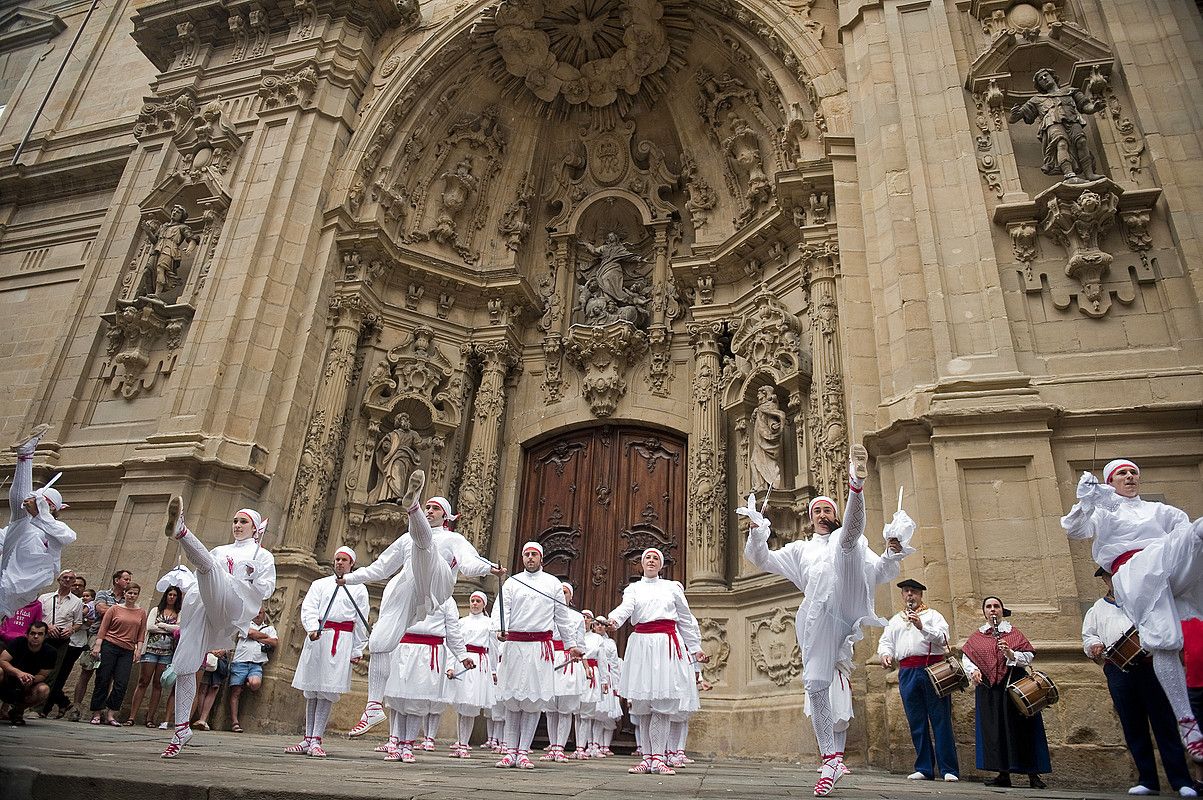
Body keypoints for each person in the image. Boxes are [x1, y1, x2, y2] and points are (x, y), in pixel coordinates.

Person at [739, 443, 911, 796]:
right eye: (816, 510)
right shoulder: (799, 549)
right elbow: (763, 560)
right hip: (817, 615)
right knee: (815, 683)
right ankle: (831, 759)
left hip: (847, 598)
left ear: (832, 515)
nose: (820, 513)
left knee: (849, 543)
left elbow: (880, 571)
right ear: (809, 517)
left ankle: (855, 485)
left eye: (826, 509)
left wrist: (893, 552)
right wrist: (757, 530)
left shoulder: (851, 542)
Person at [340, 470, 502, 738]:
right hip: (408, 590)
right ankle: (372, 706)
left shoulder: (453, 539)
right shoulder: (406, 539)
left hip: (437, 586)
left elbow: (469, 563)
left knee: (424, 547)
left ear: (446, 517)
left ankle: (409, 505)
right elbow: (380, 568)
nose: (431, 511)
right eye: (426, 507)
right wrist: (350, 578)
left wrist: (489, 568)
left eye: (434, 508)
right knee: (380, 642)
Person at [1062, 458, 1203, 760]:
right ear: (1110, 481)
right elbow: (1073, 530)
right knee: (1165, 642)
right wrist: (1085, 500)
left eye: (1133, 473)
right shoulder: (1103, 510)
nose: (1129, 477)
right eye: (1122, 474)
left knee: (1198, 531)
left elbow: (1183, 534)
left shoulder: (1160, 511)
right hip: (1132, 570)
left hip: (1165, 561)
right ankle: (1187, 722)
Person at [160, 498, 275, 758]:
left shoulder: (263, 555)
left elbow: (267, 589)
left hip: (233, 604)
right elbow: (202, 568)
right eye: (234, 520)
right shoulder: (221, 550)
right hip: (206, 601)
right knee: (185, 664)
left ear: (255, 527)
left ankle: (181, 531)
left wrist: (253, 574)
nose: (237, 525)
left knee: (209, 568)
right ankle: (180, 730)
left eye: (243, 521)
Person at [1084, 567, 1196, 797]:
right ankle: (1147, 779)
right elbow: (1089, 635)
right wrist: (1093, 645)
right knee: (1132, 724)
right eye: (1109, 577)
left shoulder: (1143, 601)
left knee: (1163, 722)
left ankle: (1181, 780)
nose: (1113, 580)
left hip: (1150, 666)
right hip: (1118, 669)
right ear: (1105, 580)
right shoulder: (1097, 608)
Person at [607, 547, 706, 776]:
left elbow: (685, 620)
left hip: (665, 646)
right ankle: (647, 758)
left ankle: (659, 758)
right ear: (641, 564)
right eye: (647, 558)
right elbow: (626, 609)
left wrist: (695, 649)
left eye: (655, 558)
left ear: (661, 565)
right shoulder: (634, 588)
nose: (651, 561)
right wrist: (614, 620)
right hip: (642, 645)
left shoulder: (671, 588)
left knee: (661, 702)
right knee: (643, 704)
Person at [491, 541, 583, 769]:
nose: (530, 558)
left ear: (541, 558)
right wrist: (499, 630)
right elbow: (501, 609)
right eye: (527, 554)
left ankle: (523, 752)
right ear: (522, 558)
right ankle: (509, 751)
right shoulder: (512, 582)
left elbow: (562, 617)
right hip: (515, 646)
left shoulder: (552, 584)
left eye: (534, 554)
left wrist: (571, 644)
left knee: (532, 701)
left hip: (539, 649)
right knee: (513, 701)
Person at [961, 596, 1051, 788]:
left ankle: (1033, 775)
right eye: (989, 607)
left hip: (1014, 686)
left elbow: (1027, 656)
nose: (993, 610)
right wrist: (973, 671)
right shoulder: (977, 637)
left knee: (1024, 730)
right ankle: (1003, 773)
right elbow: (967, 657)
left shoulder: (1013, 633)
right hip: (990, 690)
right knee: (996, 731)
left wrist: (1011, 654)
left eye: (996, 606)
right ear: (984, 612)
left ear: (1002, 610)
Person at [877, 578, 959, 782]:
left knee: (940, 719)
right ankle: (924, 767)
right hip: (907, 671)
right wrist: (885, 654)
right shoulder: (896, 620)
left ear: (921, 594)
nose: (910, 595)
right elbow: (886, 642)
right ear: (902, 595)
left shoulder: (933, 616)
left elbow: (944, 639)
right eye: (906, 591)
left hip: (933, 668)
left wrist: (922, 626)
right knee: (916, 720)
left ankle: (949, 769)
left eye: (913, 591)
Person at [287, 546, 366, 757]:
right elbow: (309, 607)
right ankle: (307, 738)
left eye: (344, 560)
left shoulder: (358, 588)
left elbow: (360, 620)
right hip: (319, 637)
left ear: (351, 564)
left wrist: (357, 649)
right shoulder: (319, 584)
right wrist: (312, 628)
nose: (339, 563)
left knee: (327, 691)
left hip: (341, 642)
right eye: (337, 559)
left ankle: (317, 739)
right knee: (312, 689)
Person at [380, 596, 472, 763]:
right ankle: (398, 745)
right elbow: (390, 617)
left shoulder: (446, 599)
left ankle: (408, 746)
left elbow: (453, 631)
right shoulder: (408, 590)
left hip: (428, 653)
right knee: (399, 699)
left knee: (417, 700)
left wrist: (462, 655)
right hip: (403, 649)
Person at [0, 424, 76, 620]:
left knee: (20, 518)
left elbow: (67, 536)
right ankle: (25, 455)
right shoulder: (23, 523)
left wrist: (39, 516)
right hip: (8, 566)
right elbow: (3, 538)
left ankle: (26, 456)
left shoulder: (55, 528)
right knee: (18, 517)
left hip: (28, 574)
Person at [89, 581, 147, 726]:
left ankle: (111, 713)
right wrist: (98, 645)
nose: (132, 596)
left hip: (127, 649)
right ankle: (97, 712)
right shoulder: (114, 609)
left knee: (121, 682)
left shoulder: (141, 612)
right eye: (129, 593)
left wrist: (138, 650)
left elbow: (141, 633)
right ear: (125, 594)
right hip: (110, 645)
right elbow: (103, 628)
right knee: (103, 678)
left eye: (135, 593)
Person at [127, 585, 182, 726]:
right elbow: (150, 626)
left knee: (158, 684)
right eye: (170, 594)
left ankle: (150, 717)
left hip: (167, 652)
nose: (172, 597)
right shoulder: (156, 610)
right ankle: (132, 716)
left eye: (174, 595)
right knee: (143, 681)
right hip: (151, 649)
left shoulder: (179, 612)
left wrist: (162, 625)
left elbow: (179, 629)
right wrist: (168, 628)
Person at [449, 589, 495, 758]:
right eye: (472, 600)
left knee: (470, 702)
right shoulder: (461, 622)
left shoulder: (489, 623)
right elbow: (453, 643)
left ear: (484, 604)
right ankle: (460, 742)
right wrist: (451, 666)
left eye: (478, 601)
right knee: (461, 704)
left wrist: (494, 670)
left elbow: (493, 648)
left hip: (478, 664)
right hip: (462, 661)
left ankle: (464, 743)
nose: (474, 604)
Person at [545, 583, 587, 762]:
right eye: (559, 592)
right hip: (549, 658)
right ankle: (552, 746)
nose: (562, 595)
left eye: (565, 592)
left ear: (571, 596)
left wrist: (580, 658)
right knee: (550, 708)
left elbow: (581, 642)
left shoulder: (577, 617)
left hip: (567, 660)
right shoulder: (546, 614)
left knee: (565, 708)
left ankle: (560, 747)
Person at [36, 570, 84, 718]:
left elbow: (78, 623)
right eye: (65, 577)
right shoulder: (45, 597)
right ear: (59, 579)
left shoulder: (77, 602)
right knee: (34, 669)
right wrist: (47, 627)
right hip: (43, 637)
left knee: (52, 674)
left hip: (61, 641)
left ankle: (38, 709)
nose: (68, 580)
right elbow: (37, 617)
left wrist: (70, 630)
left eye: (71, 578)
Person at [229, 606, 277, 733]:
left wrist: (257, 636)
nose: (257, 615)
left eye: (260, 613)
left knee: (255, 684)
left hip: (256, 663)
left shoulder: (270, 628)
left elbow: (274, 643)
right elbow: (249, 632)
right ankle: (234, 722)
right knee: (236, 692)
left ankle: (247, 682)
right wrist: (264, 637)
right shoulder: (245, 624)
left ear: (264, 614)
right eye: (255, 613)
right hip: (240, 661)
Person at [0, 620, 56, 724]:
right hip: (7, 679)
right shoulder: (18, 642)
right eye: (33, 633)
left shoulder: (50, 652)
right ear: (27, 634)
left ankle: (18, 711)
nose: (36, 637)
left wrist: (30, 679)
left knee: (43, 689)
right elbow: (2, 660)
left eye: (40, 634)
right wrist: (19, 673)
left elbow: (43, 674)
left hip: (28, 684)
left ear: (45, 636)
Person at [67, 587, 99, 720]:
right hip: (94, 636)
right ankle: (76, 707)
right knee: (86, 671)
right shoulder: (101, 597)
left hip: (113, 640)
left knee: (106, 677)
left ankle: (98, 711)